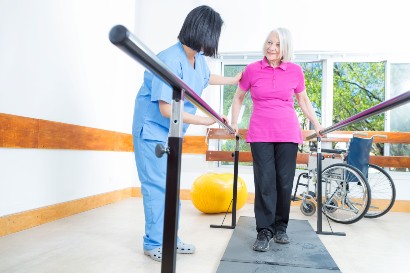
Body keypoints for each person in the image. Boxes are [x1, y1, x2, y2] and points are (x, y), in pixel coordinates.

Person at [132, 5, 241, 262]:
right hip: (152, 131)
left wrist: (233, 80)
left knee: (172, 187)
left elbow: (205, 78)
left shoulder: (196, 58)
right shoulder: (169, 59)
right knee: (158, 188)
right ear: (203, 31)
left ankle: (170, 238)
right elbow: (166, 108)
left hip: (172, 134)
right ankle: (153, 242)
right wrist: (205, 120)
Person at [229, 28, 323, 252]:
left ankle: (281, 226)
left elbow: (303, 100)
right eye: (269, 42)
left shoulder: (295, 71)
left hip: (288, 133)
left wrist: (317, 124)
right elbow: (238, 97)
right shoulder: (252, 69)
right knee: (265, 182)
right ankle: (264, 230)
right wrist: (234, 122)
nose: (271, 47)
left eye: (277, 44)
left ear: (285, 48)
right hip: (260, 133)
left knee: (284, 181)